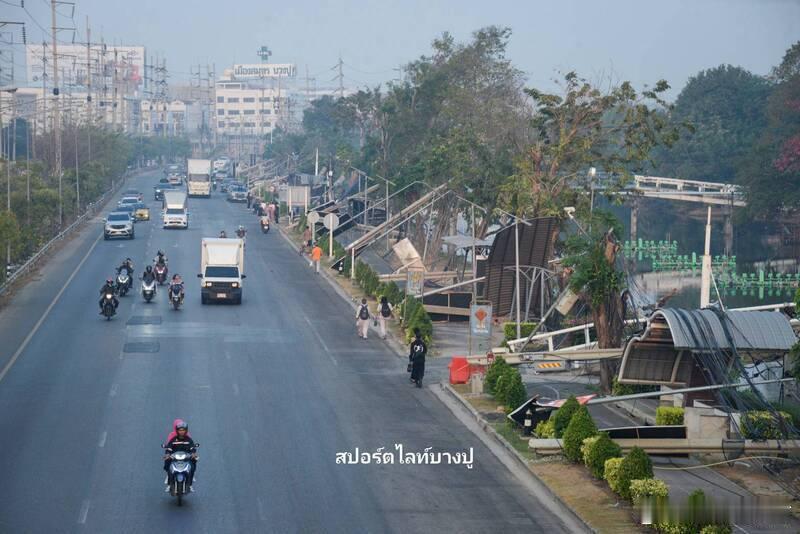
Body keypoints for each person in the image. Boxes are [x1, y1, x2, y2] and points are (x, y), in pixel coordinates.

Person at [163, 420, 197, 492]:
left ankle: (190, 484)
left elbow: (192, 448)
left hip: (186, 458)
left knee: (193, 465)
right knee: (168, 464)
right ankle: (169, 483)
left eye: (183, 430)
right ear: (177, 430)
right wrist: (168, 455)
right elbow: (169, 448)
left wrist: (193, 454)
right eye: (180, 430)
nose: (182, 432)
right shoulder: (173, 439)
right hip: (174, 457)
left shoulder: (189, 440)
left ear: (186, 430)